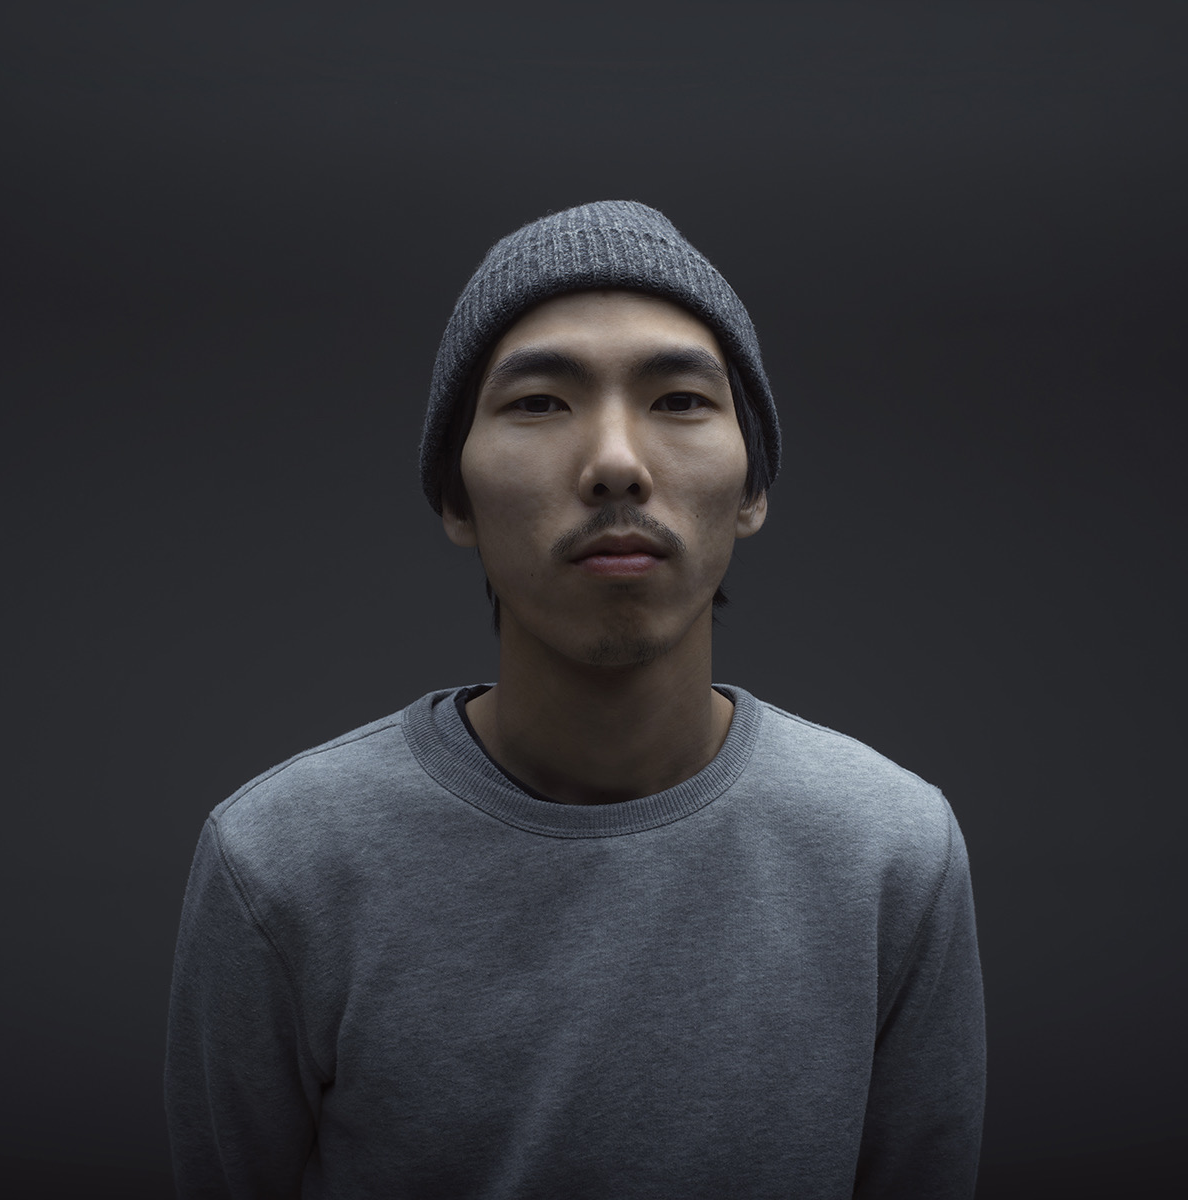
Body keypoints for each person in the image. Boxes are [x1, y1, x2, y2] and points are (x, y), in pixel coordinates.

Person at [165, 200, 986, 1199]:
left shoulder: (890, 850)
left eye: (679, 399)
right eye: (540, 403)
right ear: (454, 497)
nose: (615, 465)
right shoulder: (278, 861)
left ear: (753, 488)